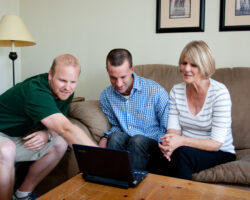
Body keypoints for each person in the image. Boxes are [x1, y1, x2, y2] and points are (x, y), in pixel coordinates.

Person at [0, 54, 96, 200]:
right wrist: (103, 159)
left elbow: (58, 123)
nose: (67, 87)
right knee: (6, 149)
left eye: (73, 82)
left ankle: (22, 195)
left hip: (16, 136)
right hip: (3, 137)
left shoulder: (65, 91)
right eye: (62, 80)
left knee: (60, 143)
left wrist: (47, 133)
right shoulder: (35, 90)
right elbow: (65, 128)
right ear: (50, 75)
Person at [158, 40, 236, 180]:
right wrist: (169, 144)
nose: (186, 69)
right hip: (186, 148)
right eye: (184, 63)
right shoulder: (176, 91)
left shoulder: (219, 93)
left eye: (193, 65)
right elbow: (173, 130)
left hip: (219, 151)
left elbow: (216, 143)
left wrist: (180, 141)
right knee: (154, 151)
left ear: (204, 66)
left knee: (181, 155)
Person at [99, 48, 169, 170]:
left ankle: (135, 183)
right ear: (107, 70)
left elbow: (167, 128)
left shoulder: (155, 91)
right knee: (114, 137)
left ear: (132, 69)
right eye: (113, 78)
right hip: (127, 138)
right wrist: (106, 137)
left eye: (123, 77)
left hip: (152, 142)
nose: (119, 83)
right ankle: (113, 181)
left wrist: (162, 144)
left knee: (137, 140)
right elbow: (116, 126)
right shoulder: (106, 96)